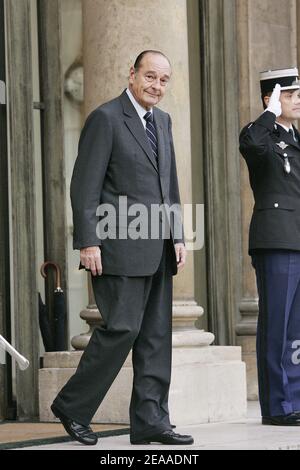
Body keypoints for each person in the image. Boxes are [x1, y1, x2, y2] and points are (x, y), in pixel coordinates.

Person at [51, 50, 194, 446]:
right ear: (132, 75)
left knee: (155, 336)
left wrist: (178, 234)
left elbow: (171, 184)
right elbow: (84, 185)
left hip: (159, 247)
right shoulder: (106, 118)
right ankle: (73, 406)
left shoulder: (162, 122)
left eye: (164, 80)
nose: (157, 86)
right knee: (121, 329)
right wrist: (87, 241)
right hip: (118, 246)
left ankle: (151, 420)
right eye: (150, 77)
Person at [240, 67, 300, 425]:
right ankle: (277, 406)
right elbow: (250, 146)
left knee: (296, 330)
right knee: (276, 326)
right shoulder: (258, 133)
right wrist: (269, 113)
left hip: (297, 239)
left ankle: (293, 400)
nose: (298, 100)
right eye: (291, 94)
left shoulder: (297, 139)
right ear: (272, 97)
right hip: (276, 240)